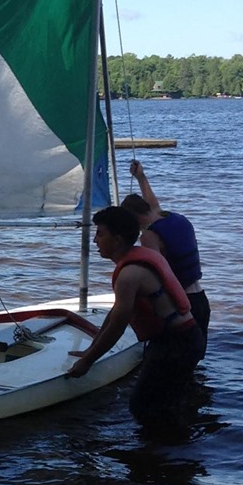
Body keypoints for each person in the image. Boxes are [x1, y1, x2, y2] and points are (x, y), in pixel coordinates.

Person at [68, 205, 204, 427]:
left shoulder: (130, 275)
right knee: (160, 406)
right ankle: (171, 451)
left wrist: (87, 363)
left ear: (118, 239)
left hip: (177, 344)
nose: (95, 241)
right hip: (180, 339)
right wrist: (90, 349)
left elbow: (118, 325)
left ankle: (163, 454)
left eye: (100, 234)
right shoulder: (140, 258)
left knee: (144, 407)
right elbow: (115, 313)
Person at [121, 159, 210, 351]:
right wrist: (141, 177)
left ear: (133, 219)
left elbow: (158, 273)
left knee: (176, 357)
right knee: (194, 358)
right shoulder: (175, 217)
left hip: (184, 304)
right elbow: (153, 204)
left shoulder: (149, 236)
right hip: (201, 299)